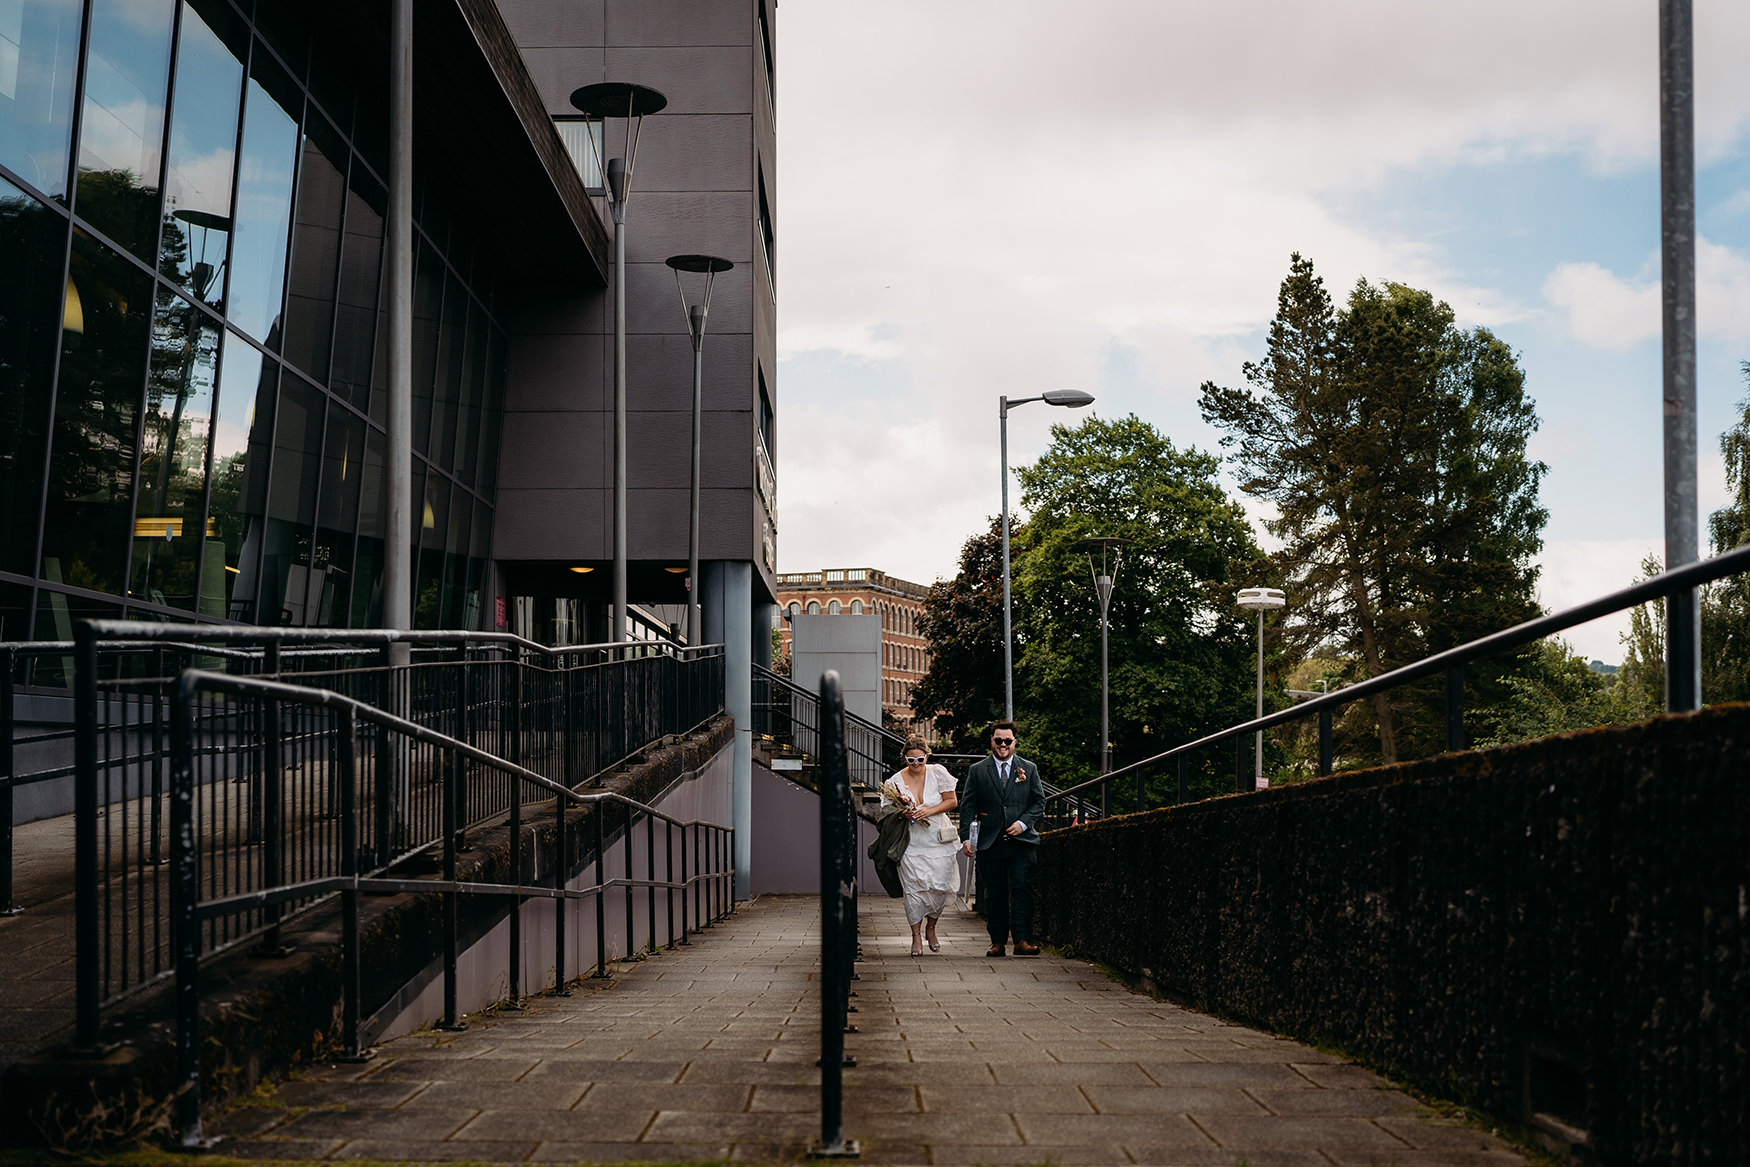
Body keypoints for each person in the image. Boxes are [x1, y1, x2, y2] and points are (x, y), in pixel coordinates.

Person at [958, 721, 1044, 957]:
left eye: (1008, 741)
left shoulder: (1029, 768)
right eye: (999, 740)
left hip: (1022, 841)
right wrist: (966, 838)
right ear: (992, 742)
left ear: (1015, 743)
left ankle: (1022, 940)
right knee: (994, 893)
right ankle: (997, 942)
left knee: (1022, 889)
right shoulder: (977, 770)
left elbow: (1038, 803)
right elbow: (968, 807)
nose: (1003, 745)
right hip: (989, 841)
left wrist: (1022, 823)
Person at [879, 736, 960, 956]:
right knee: (914, 889)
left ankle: (931, 928)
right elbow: (885, 812)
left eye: (920, 760)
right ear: (904, 758)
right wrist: (902, 813)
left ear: (927, 757)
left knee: (940, 887)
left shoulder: (938, 772)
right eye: (910, 760)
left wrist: (929, 811)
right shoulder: (893, 782)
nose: (915, 764)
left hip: (939, 840)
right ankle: (915, 936)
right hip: (910, 842)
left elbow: (952, 801)